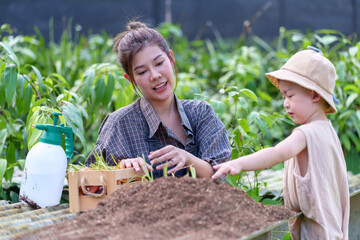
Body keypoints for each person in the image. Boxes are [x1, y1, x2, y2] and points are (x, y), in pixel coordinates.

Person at [212, 47, 349, 239]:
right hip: (332, 229)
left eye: (290, 96)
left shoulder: (304, 133)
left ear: (315, 95)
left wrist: (238, 163)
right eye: (284, 96)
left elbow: (277, 153)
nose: (285, 103)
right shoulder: (328, 129)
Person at [86, 21, 231, 179]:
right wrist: (122, 170)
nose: (155, 75)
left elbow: (219, 175)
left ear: (171, 59)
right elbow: (89, 183)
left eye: (159, 63)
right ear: (130, 79)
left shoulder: (201, 114)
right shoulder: (120, 124)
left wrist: (188, 159)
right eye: (142, 72)